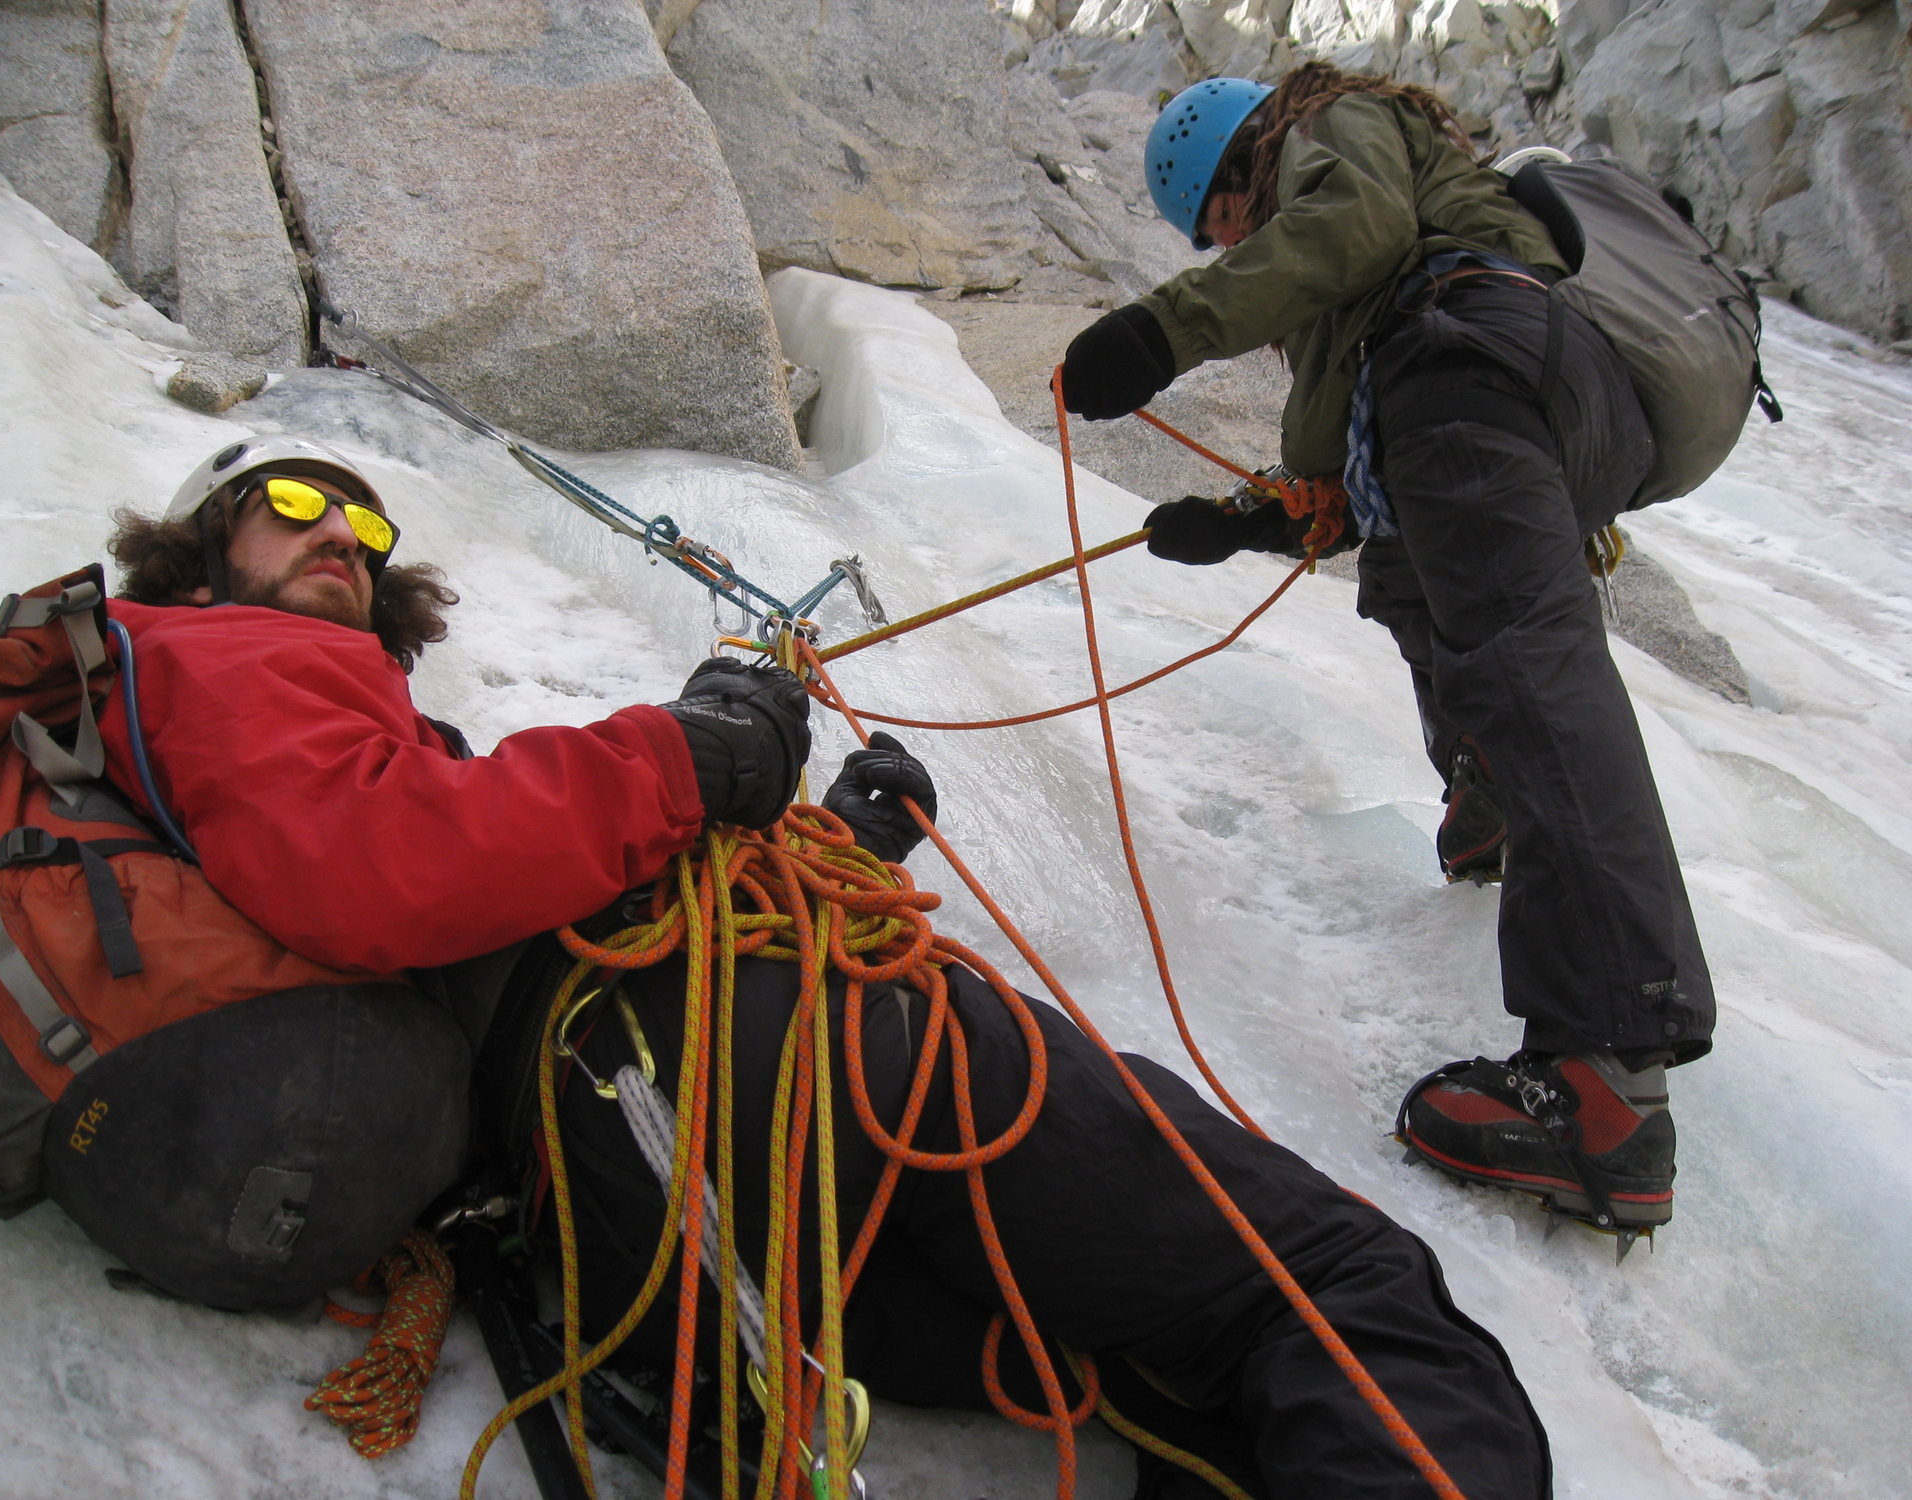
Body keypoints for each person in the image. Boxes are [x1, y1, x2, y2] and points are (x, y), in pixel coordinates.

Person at [81, 435, 1551, 1499]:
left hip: (646, 1182)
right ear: (203, 548)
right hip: (734, 1063)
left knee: (1126, 1363)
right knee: (1324, 1293)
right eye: (291, 503)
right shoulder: (210, 657)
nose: (341, 533)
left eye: (366, 526)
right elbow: (381, 867)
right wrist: (683, 751)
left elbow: (468, 886)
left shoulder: (265, 709)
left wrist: (840, 843)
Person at [1057, 64, 1710, 1241]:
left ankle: (1607, 1083)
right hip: (1538, 384)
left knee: (1525, 665)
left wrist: (1166, 328)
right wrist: (1257, 518)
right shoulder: (1395, 239)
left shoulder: (1330, 127)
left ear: (1239, 161)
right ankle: (1492, 789)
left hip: (1472, 359)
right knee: (1424, 566)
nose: (1233, 239)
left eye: (1220, 219)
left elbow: (1348, 229)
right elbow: (1355, 455)